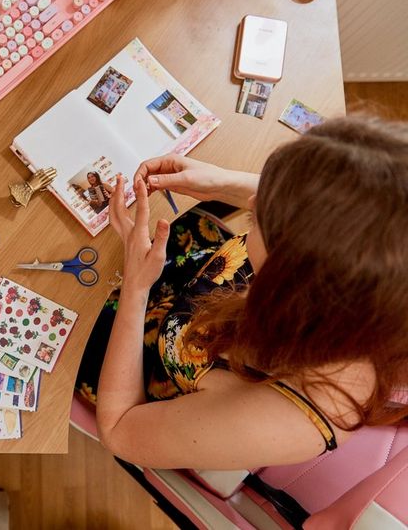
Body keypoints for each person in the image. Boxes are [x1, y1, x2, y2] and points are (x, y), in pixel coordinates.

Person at [78, 117, 408, 470]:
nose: (251, 201)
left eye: (257, 218)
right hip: (179, 274)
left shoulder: (293, 420)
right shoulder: (368, 267)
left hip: (133, 365)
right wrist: (223, 182)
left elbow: (118, 430)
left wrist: (136, 285)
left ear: (291, 280)